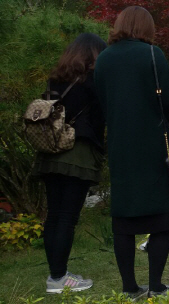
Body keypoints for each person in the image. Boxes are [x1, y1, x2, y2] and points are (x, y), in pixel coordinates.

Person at [93, 6, 169, 300]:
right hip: (153, 145)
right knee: (160, 217)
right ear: (147, 28)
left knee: (124, 220)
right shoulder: (152, 54)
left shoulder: (104, 58)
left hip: (120, 145)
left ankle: (129, 287)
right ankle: (156, 286)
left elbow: (101, 102)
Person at [32, 33, 107, 293]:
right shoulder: (93, 80)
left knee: (54, 216)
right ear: (95, 54)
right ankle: (59, 278)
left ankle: (56, 273)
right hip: (78, 153)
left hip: (51, 151)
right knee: (67, 217)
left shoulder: (58, 78)